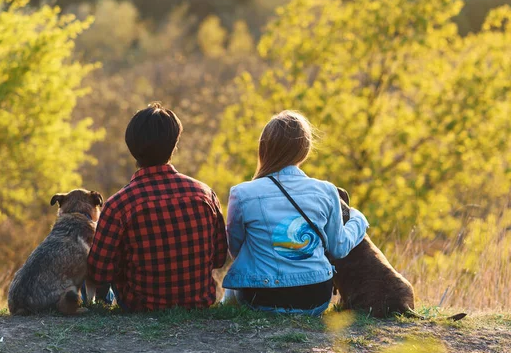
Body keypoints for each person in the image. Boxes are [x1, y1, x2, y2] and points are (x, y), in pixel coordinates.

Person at [222, 110, 369, 315]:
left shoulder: (242, 193)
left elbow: (235, 247)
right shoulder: (326, 191)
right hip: (315, 298)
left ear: (264, 148)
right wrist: (359, 220)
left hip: (259, 298)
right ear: (304, 149)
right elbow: (339, 248)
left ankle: (224, 304)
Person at [87, 102, 228, 311]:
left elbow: (98, 273)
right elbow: (219, 258)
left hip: (140, 306)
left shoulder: (118, 205)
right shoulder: (205, 194)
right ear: (174, 144)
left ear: (132, 147)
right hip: (199, 303)